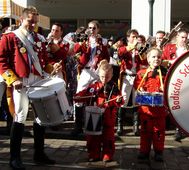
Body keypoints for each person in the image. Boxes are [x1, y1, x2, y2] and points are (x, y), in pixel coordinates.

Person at [0, 6, 62, 169]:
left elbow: (42, 62)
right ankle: (14, 158)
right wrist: (12, 80)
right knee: (20, 116)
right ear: (22, 19)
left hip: (38, 81)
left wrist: (51, 67)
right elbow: (1, 61)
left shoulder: (40, 38)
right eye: (30, 21)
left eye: (35, 22)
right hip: (21, 81)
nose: (33, 24)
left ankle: (39, 154)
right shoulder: (10, 37)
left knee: (40, 117)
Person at [74, 60, 123, 162]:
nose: (104, 79)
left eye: (107, 77)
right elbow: (83, 95)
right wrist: (78, 97)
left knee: (108, 138)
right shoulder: (93, 87)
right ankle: (93, 153)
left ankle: (107, 154)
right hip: (94, 117)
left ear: (112, 75)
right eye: (102, 77)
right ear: (99, 75)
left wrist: (118, 100)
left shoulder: (114, 88)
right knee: (93, 138)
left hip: (108, 117)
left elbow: (119, 100)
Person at [72, 20, 110, 136]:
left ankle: (96, 124)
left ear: (98, 29)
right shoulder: (84, 40)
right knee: (79, 96)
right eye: (90, 28)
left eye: (94, 28)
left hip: (97, 72)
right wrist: (83, 41)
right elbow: (76, 50)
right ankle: (78, 126)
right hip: (86, 70)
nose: (91, 30)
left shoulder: (102, 41)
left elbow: (107, 57)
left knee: (97, 96)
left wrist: (102, 63)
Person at [134, 47, 167, 162]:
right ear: (148, 59)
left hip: (160, 110)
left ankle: (158, 151)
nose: (156, 59)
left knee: (159, 132)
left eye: (158, 57)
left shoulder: (165, 73)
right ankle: (144, 151)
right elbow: (136, 86)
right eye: (153, 57)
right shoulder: (142, 73)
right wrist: (141, 89)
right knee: (145, 132)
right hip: (146, 110)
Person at [117, 29, 147, 136]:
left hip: (137, 77)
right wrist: (132, 46)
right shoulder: (124, 48)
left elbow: (144, 61)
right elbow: (120, 54)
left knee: (136, 100)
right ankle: (120, 126)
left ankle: (136, 126)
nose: (135, 39)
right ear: (128, 38)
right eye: (133, 37)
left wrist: (142, 51)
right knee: (123, 100)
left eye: (136, 37)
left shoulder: (139, 48)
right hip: (126, 76)